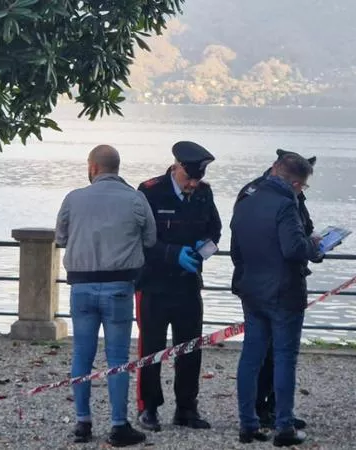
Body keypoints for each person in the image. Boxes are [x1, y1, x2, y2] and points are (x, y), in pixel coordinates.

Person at [55, 144, 156, 447]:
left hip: (81, 288)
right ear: (117, 167)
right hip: (119, 288)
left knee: (82, 356)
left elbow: (60, 237)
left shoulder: (74, 199)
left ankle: (83, 422)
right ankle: (118, 424)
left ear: (93, 167)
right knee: (117, 359)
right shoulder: (136, 200)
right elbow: (150, 239)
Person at [230, 152, 323, 447]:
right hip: (283, 293)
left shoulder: (247, 199)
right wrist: (315, 246)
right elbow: (294, 248)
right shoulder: (286, 205)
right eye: (303, 187)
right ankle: (283, 426)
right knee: (284, 358)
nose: (301, 192)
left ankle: (248, 423)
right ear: (295, 183)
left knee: (251, 357)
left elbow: (236, 248)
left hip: (252, 290)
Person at [134, 141, 222, 432]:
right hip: (154, 285)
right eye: (189, 178)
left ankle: (186, 407)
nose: (193, 184)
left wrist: (204, 247)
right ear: (177, 167)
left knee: (190, 348)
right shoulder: (149, 191)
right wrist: (172, 254)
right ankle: (149, 408)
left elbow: (215, 229)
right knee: (151, 349)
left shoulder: (203, 193)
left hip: (188, 285)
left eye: (197, 179)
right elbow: (140, 238)